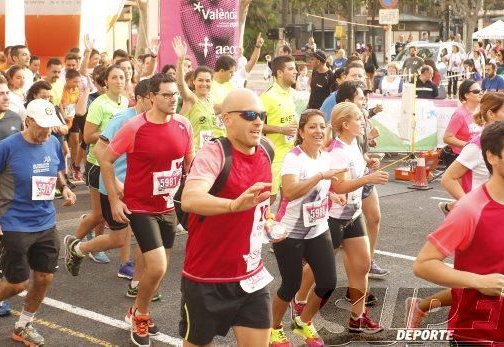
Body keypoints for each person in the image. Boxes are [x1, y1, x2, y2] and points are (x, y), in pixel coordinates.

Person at [413, 120, 504, 346]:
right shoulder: (469, 209)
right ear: (492, 157)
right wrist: (479, 281)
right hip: (473, 336)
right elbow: (423, 264)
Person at [96, 73, 194, 346]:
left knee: (158, 271)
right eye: (166, 95)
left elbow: (190, 165)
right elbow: (105, 159)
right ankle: (140, 314)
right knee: (158, 266)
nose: (173, 99)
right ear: (151, 97)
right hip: (140, 207)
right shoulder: (134, 127)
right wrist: (116, 199)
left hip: (167, 206)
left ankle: (137, 310)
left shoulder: (184, 125)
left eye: (175, 94)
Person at [179, 89, 273, 346]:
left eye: (261, 115)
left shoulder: (266, 150)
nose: (258, 121)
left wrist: (268, 219)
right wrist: (233, 205)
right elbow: (190, 199)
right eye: (250, 115)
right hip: (207, 279)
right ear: (227, 119)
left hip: (251, 277)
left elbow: (260, 205)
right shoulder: (215, 154)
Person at [0, 99, 76, 346]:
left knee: (44, 277)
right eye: (41, 126)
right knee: (17, 283)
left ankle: (24, 326)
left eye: (50, 126)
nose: (46, 131)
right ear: (27, 121)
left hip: (45, 221)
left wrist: (64, 188)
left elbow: (56, 168)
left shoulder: (52, 141)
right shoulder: (6, 148)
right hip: (13, 223)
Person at [63, 80, 153, 289]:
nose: (157, 101)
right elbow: (98, 151)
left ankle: (137, 283)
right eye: (153, 97)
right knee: (119, 239)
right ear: (141, 99)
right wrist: (116, 183)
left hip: (139, 189)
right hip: (114, 187)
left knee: (140, 236)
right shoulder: (122, 119)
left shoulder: (151, 120)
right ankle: (78, 248)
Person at [269, 109, 340, 346]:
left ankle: (303, 322)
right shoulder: (293, 158)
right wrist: (320, 176)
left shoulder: (325, 156)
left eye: (322, 126)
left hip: (318, 229)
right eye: (312, 126)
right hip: (290, 232)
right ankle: (274, 328)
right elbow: (289, 192)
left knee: (328, 282)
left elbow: (321, 189)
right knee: (290, 285)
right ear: (301, 132)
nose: (318, 131)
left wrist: (332, 194)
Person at [326, 102, 388, 332]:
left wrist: (368, 167)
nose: (363, 123)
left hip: (354, 215)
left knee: (362, 266)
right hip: (333, 218)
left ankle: (357, 317)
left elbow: (355, 175)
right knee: (317, 269)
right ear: (345, 124)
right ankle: (299, 300)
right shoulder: (337, 151)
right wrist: (367, 179)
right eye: (359, 120)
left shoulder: (353, 145)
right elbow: (339, 186)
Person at [71, 64, 128, 265]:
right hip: (97, 162)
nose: (119, 81)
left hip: (117, 163)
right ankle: (73, 243)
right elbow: (87, 136)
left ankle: (97, 247)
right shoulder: (99, 104)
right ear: (105, 81)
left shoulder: (126, 102)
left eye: (122, 77)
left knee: (106, 212)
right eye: (114, 77)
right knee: (99, 214)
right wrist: (112, 137)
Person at [0, 75, 22, 318]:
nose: (5, 97)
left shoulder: (15, 118)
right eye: (0, 93)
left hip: (10, 195)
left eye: (7, 92)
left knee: (5, 246)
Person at [173, 37, 225, 152]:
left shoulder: (210, 101)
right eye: (200, 80)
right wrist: (181, 60)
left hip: (207, 154)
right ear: (193, 81)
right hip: (191, 155)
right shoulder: (190, 98)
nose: (204, 84)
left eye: (207, 81)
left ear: (212, 82)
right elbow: (180, 83)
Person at [261, 55, 298, 204]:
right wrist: (281, 130)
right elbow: (254, 125)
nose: (296, 72)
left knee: (289, 199)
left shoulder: (292, 94)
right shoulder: (267, 96)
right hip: (273, 158)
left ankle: (284, 227)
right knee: (268, 200)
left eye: (295, 68)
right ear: (279, 73)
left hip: (291, 155)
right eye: (291, 69)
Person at [442, 80, 483, 165]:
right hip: (459, 158)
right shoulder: (460, 114)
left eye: (481, 90)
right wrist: (469, 145)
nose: (480, 93)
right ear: (466, 95)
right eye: (476, 91)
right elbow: (447, 138)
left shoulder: (481, 110)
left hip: (476, 156)